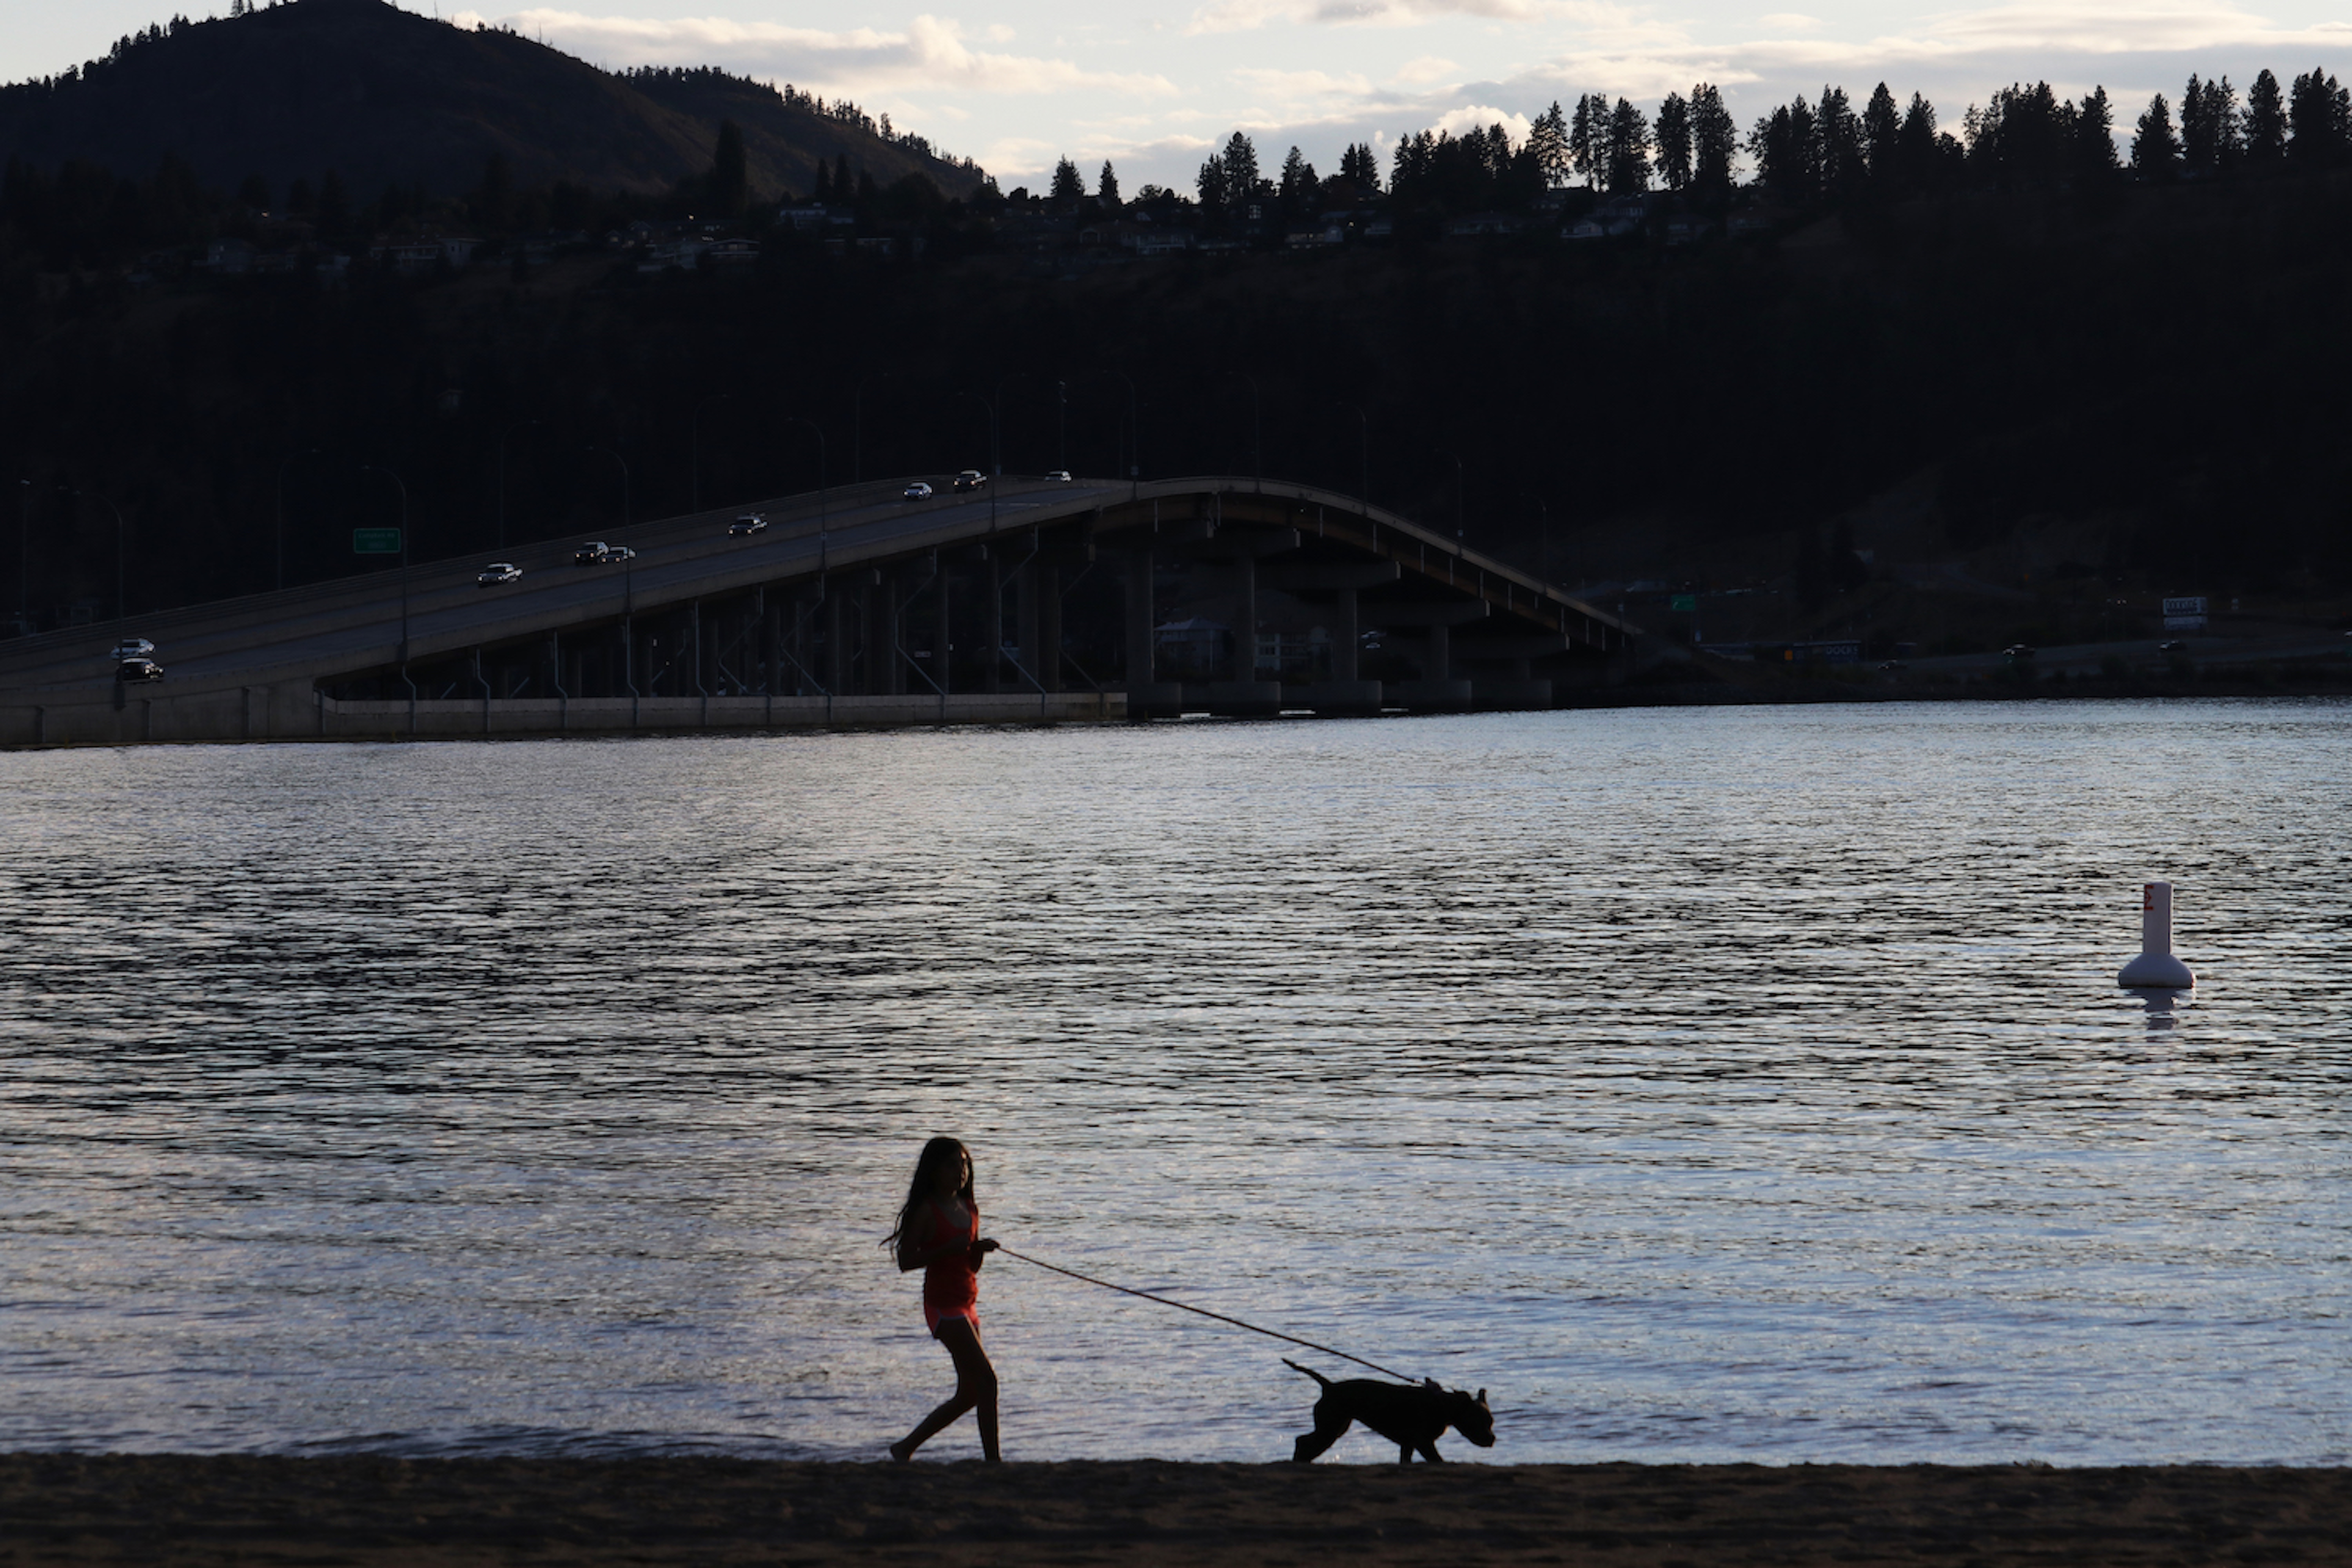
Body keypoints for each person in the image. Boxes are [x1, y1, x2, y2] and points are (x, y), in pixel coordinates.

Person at [885, 1136, 1002, 1461]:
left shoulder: (969, 1208)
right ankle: (994, 1463)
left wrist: (977, 1251)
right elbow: (906, 1262)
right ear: (934, 1170)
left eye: (964, 1165)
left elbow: (970, 1266)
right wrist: (943, 1251)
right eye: (952, 1164)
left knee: (970, 1394)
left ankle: (904, 1448)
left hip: (967, 1302)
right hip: (942, 1306)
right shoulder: (927, 1211)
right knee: (988, 1382)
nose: (960, 1171)